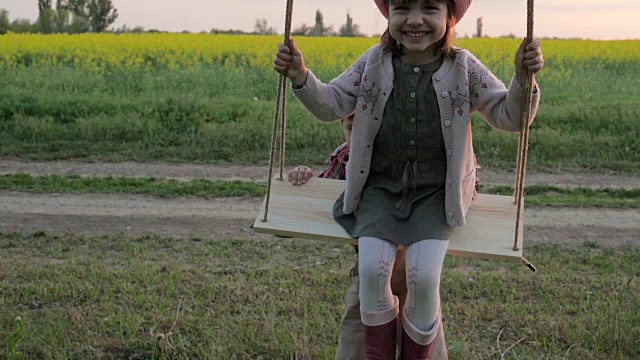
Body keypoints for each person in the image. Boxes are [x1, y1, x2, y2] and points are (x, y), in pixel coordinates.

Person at [274, 0, 544, 358]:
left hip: (436, 195)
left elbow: (509, 116)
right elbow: (332, 104)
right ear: (389, 15)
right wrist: (300, 76)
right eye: (402, 7)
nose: (414, 20)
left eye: (430, 8)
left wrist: (522, 79)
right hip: (379, 192)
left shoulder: (464, 68)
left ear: (449, 17)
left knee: (424, 279)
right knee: (371, 271)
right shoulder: (373, 62)